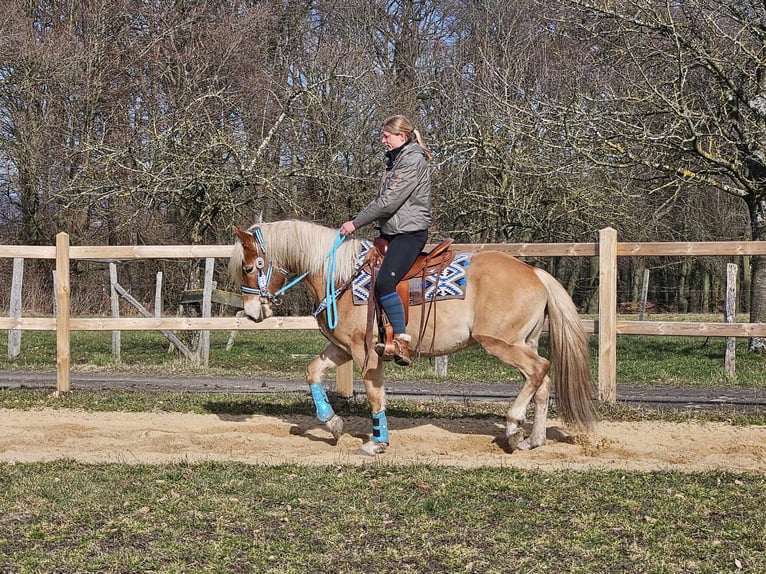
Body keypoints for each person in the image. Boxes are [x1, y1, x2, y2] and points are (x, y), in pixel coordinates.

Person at [339, 115, 432, 366]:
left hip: (409, 233)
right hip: (393, 231)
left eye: (386, 136)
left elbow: (388, 202)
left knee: (384, 283)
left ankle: (401, 339)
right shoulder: (396, 160)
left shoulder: (411, 161)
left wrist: (355, 222)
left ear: (401, 137)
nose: (383, 141)